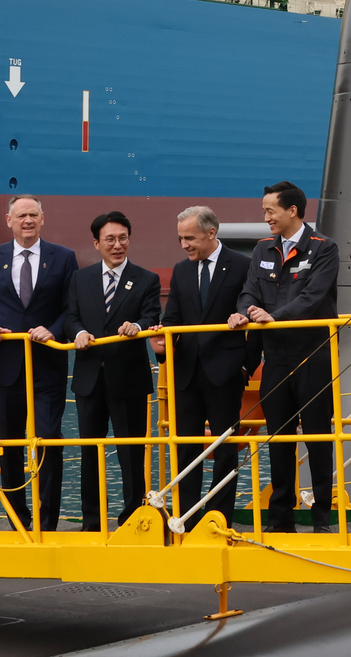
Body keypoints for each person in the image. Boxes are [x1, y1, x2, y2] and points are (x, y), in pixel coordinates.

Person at [0, 194, 78, 532]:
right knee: (9, 442)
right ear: (8, 221)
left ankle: (47, 520)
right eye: (21, 215)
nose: (27, 220)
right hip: (5, 367)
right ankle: (17, 520)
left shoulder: (63, 257)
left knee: (47, 438)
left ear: (43, 219)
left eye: (33, 215)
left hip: (47, 364)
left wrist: (53, 330)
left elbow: (72, 307)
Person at [230, 181, 338, 534]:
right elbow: (249, 291)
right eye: (264, 211)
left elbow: (315, 296)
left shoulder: (324, 248)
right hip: (275, 359)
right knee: (279, 438)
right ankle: (281, 518)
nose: (265, 218)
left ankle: (323, 516)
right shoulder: (262, 249)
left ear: (292, 210)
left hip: (313, 357)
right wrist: (246, 311)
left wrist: (275, 317)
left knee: (318, 436)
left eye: (270, 211)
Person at [150, 206, 261, 528]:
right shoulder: (182, 271)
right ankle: (186, 515)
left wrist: (244, 367)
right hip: (185, 374)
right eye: (181, 238)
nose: (184, 244)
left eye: (190, 238)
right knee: (185, 449)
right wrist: (162, 342)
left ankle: (219, 517)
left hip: (225, 373)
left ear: (211, 233)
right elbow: (172, 319)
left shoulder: (242, 266)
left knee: (225, 449)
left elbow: (253, 317)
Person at [64, 211, 160, 530]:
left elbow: (151, 316)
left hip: (129, 378)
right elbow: (71, 317)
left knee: (131, 453)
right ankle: (92, 520)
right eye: (110, 239)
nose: (117, 245)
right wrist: (77, 332)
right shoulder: (81, 278)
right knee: (90, 452)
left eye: (123, 238)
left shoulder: (147, 279)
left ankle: (134, 517)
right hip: (89, 379)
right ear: (96, 243)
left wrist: (138, 325)